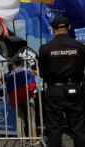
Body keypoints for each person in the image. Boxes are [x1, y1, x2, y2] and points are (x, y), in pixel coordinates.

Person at [38, 16, 85, 147]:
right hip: (75, 89)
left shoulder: (45, 49)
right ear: (69, 28)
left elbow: (42, 72)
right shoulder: (80, 47)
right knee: (78, 129)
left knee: (54, 129)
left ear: (53, 30)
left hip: (54, 90)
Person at [6, 57, 39, 146]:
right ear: (22, 63)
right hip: (28, 98)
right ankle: (33, 140)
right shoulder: (27, 72)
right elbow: (33, 85)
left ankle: (22, 141)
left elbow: (9, 91)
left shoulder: (10, 75)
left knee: (20, 120)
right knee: (31, 120)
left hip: (17, 100)